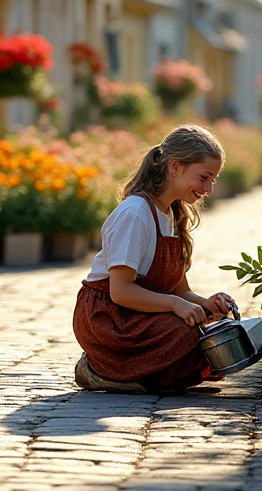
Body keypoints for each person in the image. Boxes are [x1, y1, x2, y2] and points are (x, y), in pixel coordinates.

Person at [73, 124, 235, 394]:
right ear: (175, 167)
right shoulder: (135, 214)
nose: (208, 188)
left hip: (140, 313)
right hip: (109, 318)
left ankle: (138, 375)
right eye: (204, 177)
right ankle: (103, 367)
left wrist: (207, 305)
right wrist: (175, 305)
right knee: (187, 333)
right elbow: (121, 291)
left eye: (212, 180)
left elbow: (181, 291)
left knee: (207, 333)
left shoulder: (172, 214)